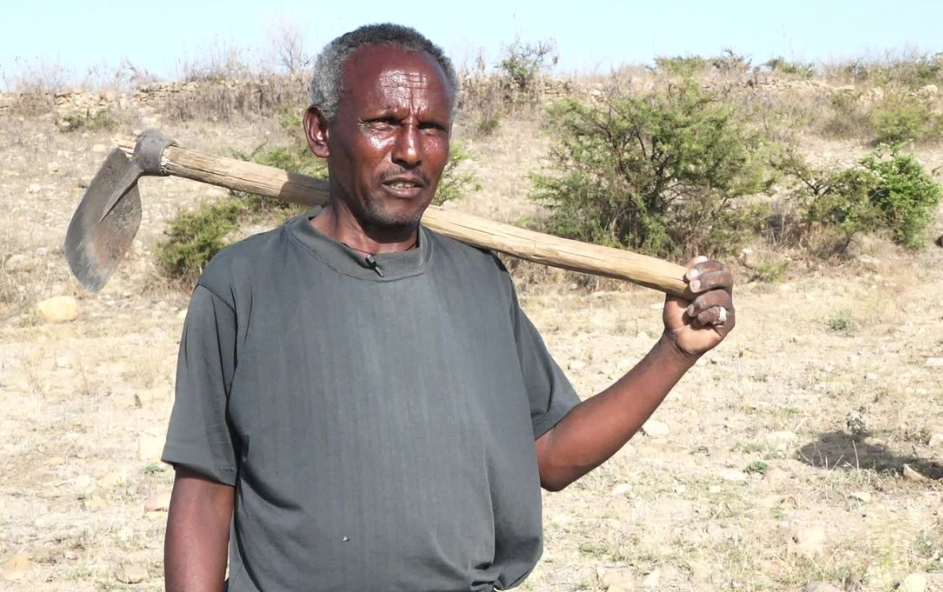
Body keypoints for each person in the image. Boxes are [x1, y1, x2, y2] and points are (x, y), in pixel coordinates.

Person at [161, 23, 736, 592]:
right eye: (385, 122)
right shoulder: (243, 284)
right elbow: (205, 488)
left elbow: (552, 455)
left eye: (431, 128)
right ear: (320, 130)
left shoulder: (480, 282)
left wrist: (673, 351)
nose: (411, 151)